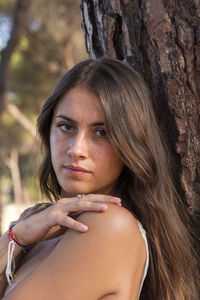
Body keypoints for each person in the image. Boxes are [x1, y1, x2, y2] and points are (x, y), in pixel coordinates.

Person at [0, 57, 199, 300]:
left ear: (131, 145)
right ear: (48, 129)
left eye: (102, 133)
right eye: (66, 126)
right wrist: (17, 237)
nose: (77, 149)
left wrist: (14, 239)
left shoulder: (109, 227)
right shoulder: (36, 225)